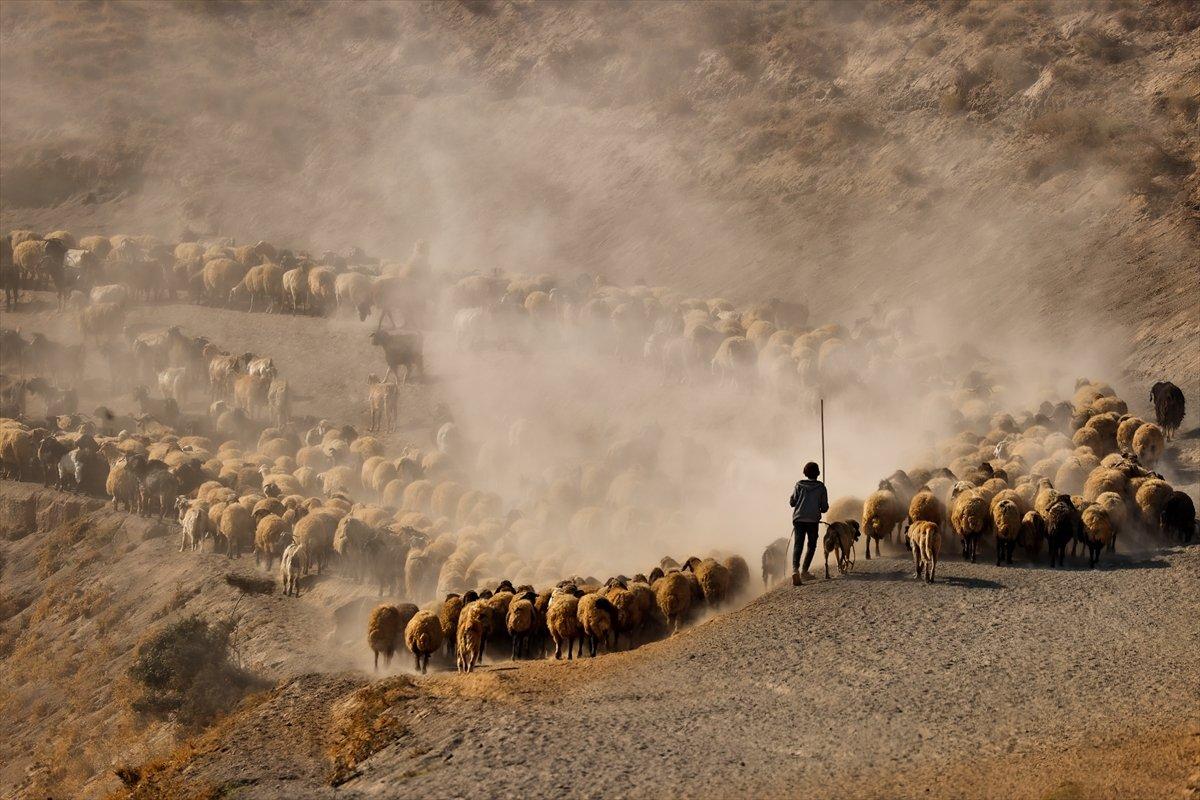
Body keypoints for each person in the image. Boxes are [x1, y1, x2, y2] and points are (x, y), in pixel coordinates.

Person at [788, 461, 828, 585]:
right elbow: (824, 507)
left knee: (798, 545)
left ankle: (795, 570)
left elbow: (792, 503)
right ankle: (805, 571)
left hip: (799, 519)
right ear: (818, 473)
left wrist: (792, 498)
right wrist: (821, 507)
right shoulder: (821, 487)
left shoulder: (799, 485)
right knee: (811, 545)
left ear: (805, 473)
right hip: (812, 520)